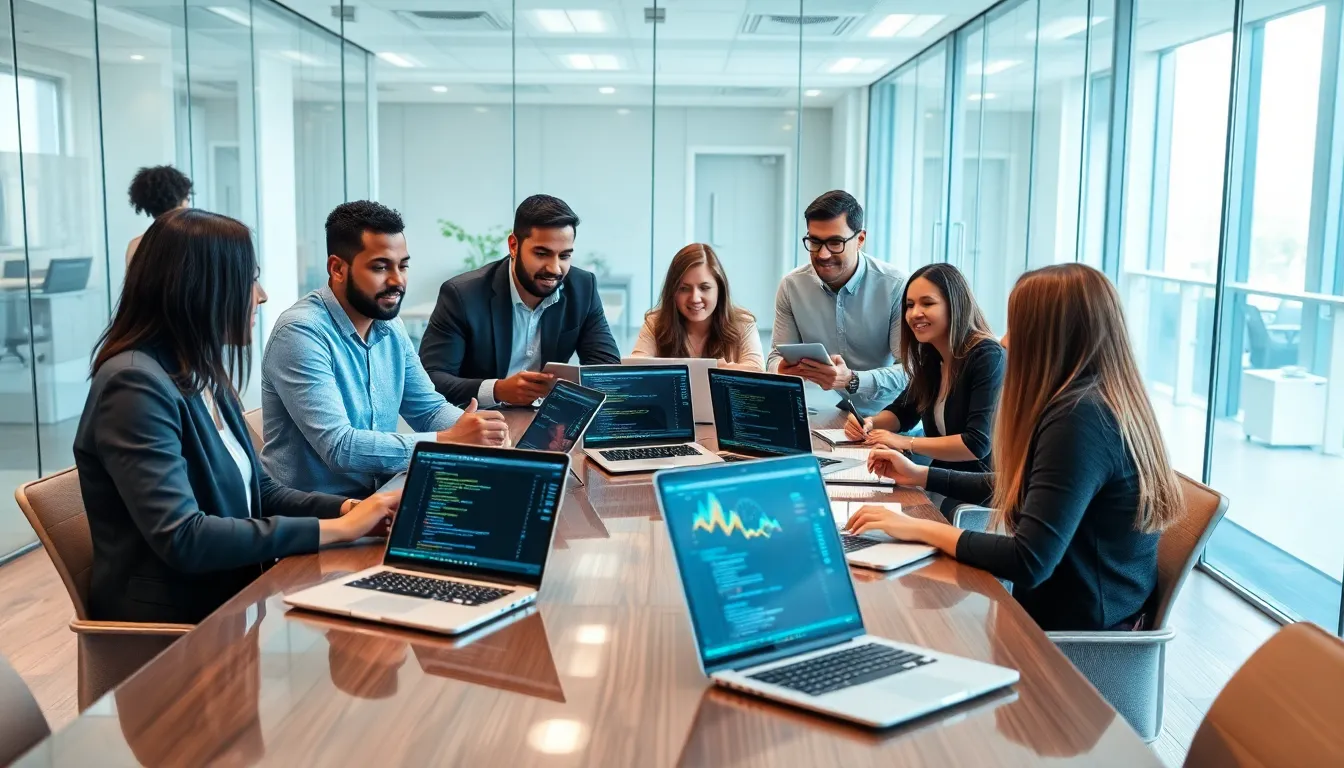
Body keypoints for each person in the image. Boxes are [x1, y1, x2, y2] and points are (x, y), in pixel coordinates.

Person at [74, 208, 400, 625]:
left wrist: (351, 509)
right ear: (199, 288)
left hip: (238, 598)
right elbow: (183, 537)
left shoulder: (199, 372)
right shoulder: (133, 384)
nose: (261, 295)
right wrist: (337, 531)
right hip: (177, 631)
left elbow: (259, 491)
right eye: (249, 279)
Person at [844, 263, 1183, 632]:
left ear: (1051, 336)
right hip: (1068, 609)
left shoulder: (1080, 420)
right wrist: (920, 474)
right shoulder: (1092, 403)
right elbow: (1025, 489)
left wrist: (916, 528)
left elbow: (1029, 560)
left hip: (1071, 634)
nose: (1004, 341)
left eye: (1016, 327)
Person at [261, 201, 508, 498]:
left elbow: (428, 410)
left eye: (403, 265)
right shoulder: (301, 332)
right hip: (317, 517)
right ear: (337, 268)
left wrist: (478, 431)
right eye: (380, 267)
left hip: (381, 498)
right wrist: (448, 440)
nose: (397, 281)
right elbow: (339, 447)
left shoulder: (390, 326)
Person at [419, 194, 621, 407]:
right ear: (513, 246)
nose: (554, 268)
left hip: (547, 423)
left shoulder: (582, 287)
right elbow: (431, 379)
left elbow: (607, 370)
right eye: (542, 254)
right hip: (479, 419)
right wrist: (497, 390)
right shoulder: (462, 295)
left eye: (564, 256)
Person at [844, 263, 1004, 473]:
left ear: (954, 306)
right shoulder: (931, 355)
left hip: (978, 490)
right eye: (909, 305)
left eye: (927, 303)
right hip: (942, 480)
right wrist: (869, 423)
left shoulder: (987, 356)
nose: (914, 313)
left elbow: (976, 444)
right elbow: (904, 411)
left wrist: (902, 441)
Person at [769, 190, 906, 416]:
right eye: (814, 241)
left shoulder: (895, 286)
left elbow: (910, 371)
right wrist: (781, 369)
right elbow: (774, 358)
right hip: (821, 415)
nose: (823, 254)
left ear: (860, 239)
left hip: (886, 419)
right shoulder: (792, 286)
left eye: (835, 242)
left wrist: (852, 380)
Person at [630, 243, 764, 370]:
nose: (695, 298)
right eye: (684, 289)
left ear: (720, 290)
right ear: (673, 292)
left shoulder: (743, 323)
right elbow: (635, 370)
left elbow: (756, 371)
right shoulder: (655, 324)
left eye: (704, 288)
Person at [126, 165, 192, 263]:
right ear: (180, 200)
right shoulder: (198, 241)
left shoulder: (136, 246)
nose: (189, 206)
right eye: (187, 199)